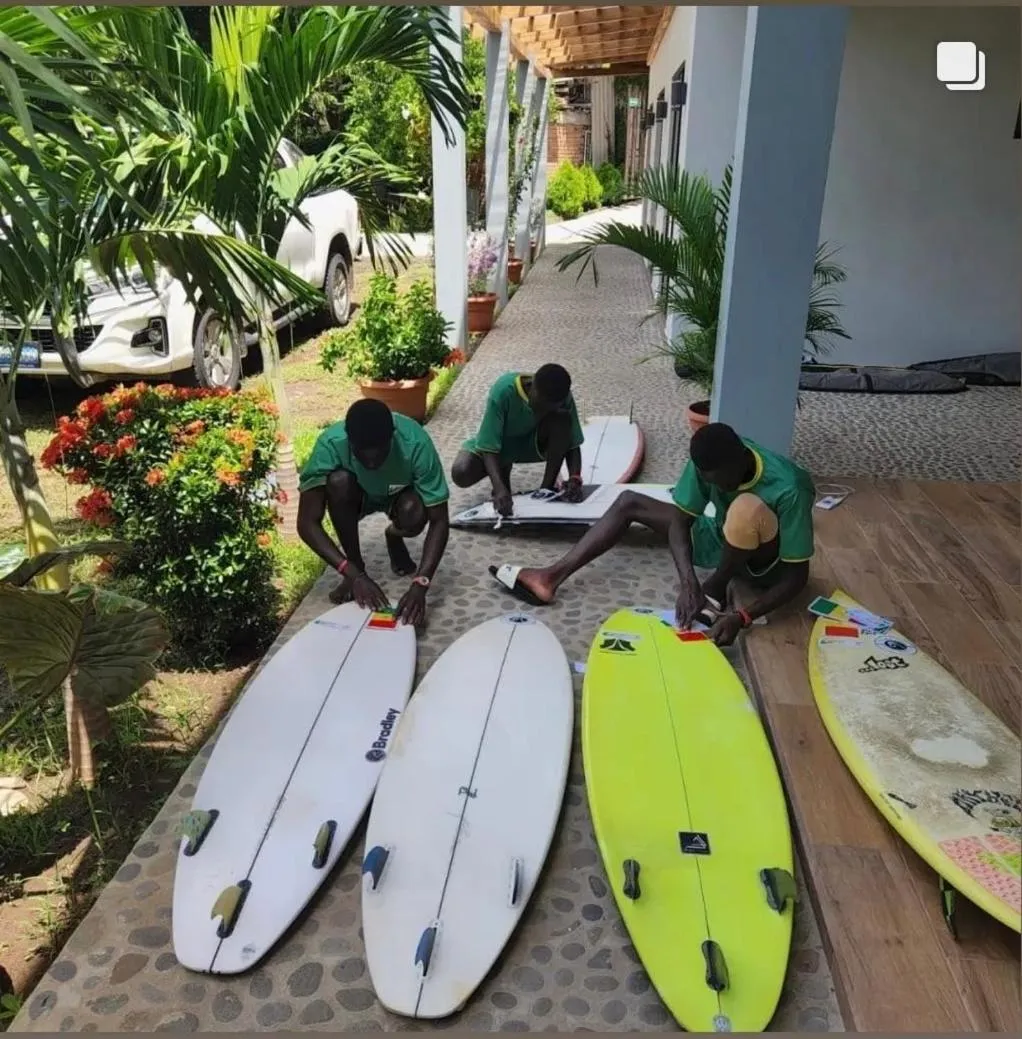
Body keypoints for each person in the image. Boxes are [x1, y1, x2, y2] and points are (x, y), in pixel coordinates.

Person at [488, 422, 815, 647]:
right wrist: (688, 582)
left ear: (740, 458)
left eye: (719, 480)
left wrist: (744, 616)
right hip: (723, 536)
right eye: (707, 479)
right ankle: (550, 577)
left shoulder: (789, 486)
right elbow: (679, 522)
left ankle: (715, 586)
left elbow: (798, 575)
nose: (713, 486)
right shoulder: (708, 462)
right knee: (629, 502)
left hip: (765, 563)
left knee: (744, 508)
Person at [296, 398, 450, 627]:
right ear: (349, 441)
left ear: (393, 437)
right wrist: (352, 574)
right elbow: (307, 523)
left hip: (400, 497)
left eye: (380, 454)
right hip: (357, 497)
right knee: (339, 481)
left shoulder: (415, 442)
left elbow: (439, 521)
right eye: (361, 454)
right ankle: (356, 565)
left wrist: (421, 583)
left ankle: (394, 535)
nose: (371, 462)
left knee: (414, 512)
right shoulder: (330, 444)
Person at [450, 364, 586, 517]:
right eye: (540, 406)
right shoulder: (504, 390)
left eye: (549, 409)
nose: (542, 412)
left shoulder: (562, 395)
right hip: (500, 446)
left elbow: (573, 442)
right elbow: (487, 446)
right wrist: (499, 488)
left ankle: (545, 489)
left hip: (534, 444)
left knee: (562, 419)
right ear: (532, 387)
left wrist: (575, 479)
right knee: (461, 472)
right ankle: (502, 470)